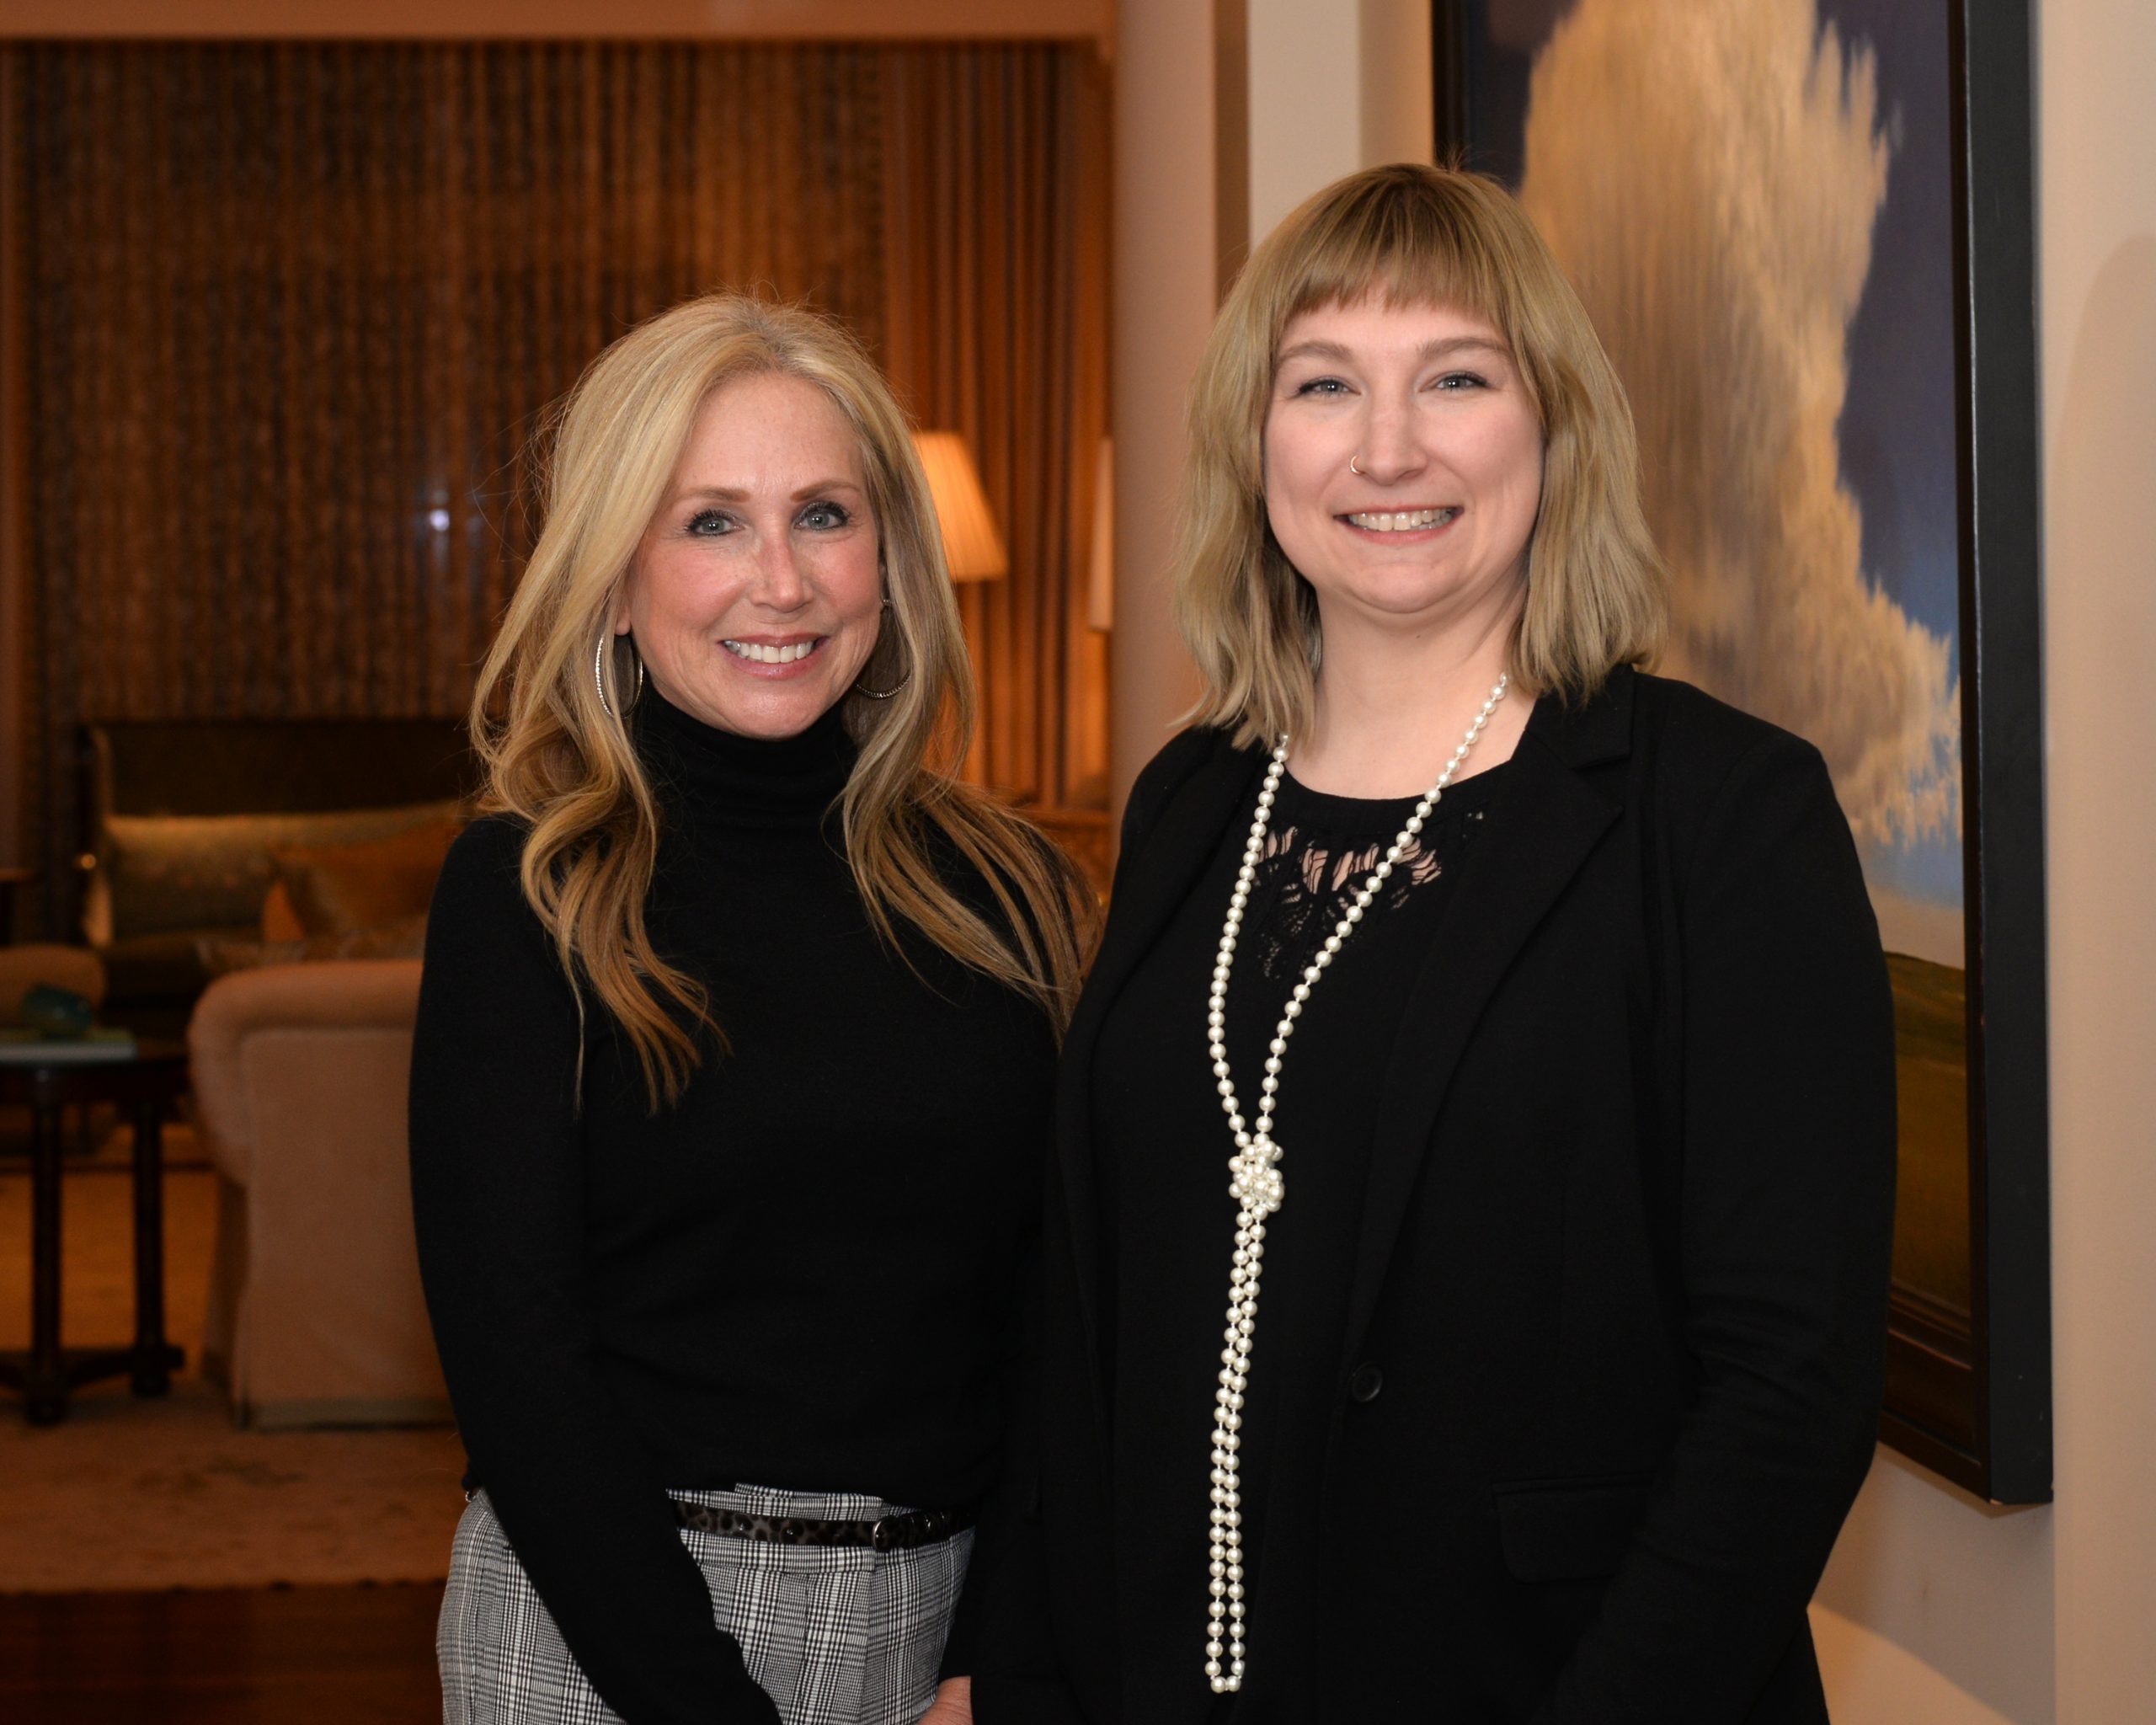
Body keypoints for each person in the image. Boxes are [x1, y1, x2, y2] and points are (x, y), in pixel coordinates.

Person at [969, 163, 1897, 1723]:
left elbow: (1789, 1392)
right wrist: (1013, 1673)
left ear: (1554, 426)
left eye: (1456, 378)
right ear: (1256, 442)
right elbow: (1080, 1309)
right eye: (1324, 383)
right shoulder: (1192, 798)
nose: (1387, 447)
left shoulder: (1720, 814)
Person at [410, 293, 1092, 1725]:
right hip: (607, 1637)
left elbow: (1063, 1316)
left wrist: (993, 1659)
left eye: (823, 516)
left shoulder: (1011, 889)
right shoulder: (530, 890)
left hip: (949, 1637)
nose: (780, 582)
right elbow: (519, 1366)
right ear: (615, 578)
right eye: (711, 522)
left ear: (888, 562)